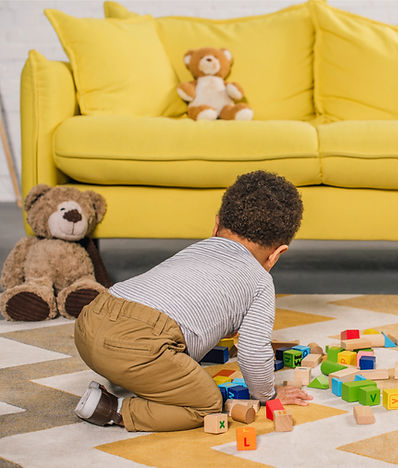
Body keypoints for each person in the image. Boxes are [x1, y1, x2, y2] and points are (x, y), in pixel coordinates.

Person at [72, 171, 312, 432]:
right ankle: (113, 410)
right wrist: (268, 395)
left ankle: (126, 372)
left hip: (92, 320)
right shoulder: (260, 281)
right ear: (276, 255)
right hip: (140, 344)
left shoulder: (197, 248)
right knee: (207, 404)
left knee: (143, 353)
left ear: (216, 225)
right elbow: (253, 353)